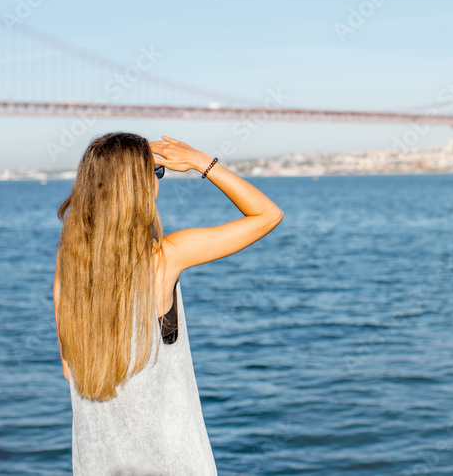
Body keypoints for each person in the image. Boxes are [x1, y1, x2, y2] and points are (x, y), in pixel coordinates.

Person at [53, 132, 283, 475]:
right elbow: (267, 215)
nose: (158, 181)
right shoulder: (164, 259)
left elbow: (68, 370)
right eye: (155, 172)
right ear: (137, 187)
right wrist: (201, 161)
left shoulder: (67, 269)